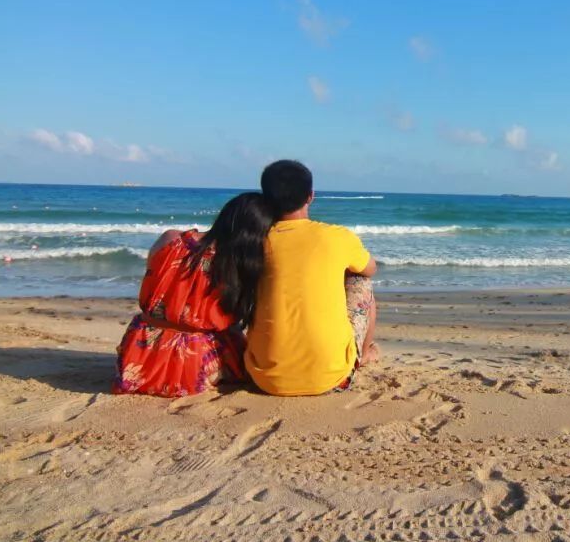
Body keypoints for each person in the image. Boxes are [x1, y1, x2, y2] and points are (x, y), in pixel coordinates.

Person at [113, 192, 275, 397]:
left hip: (140, 356)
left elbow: (152, 279)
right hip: (196, 362)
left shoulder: (169, 239)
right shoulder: (241, 265)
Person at [246, 159, 379, 396]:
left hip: (263, 377)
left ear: (266, 198)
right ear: (310, 196)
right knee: (360, 281)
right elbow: (370, 269)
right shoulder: (337, 236)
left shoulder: (255, 240)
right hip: (331, 376)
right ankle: (364, 353)